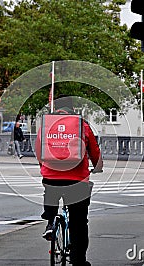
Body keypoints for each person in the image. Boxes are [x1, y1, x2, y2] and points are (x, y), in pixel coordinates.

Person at [35, 96, 103, 266]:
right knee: (79, 223)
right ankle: (78, 261)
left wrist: (44, 167)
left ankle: (50, 222)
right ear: (72, 110)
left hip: (51, 177)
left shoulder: (46, 126)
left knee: (50, 191)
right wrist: (97, 166)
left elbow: (38, 150)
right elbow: (94, 150)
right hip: (77, 180)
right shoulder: (82, 125)